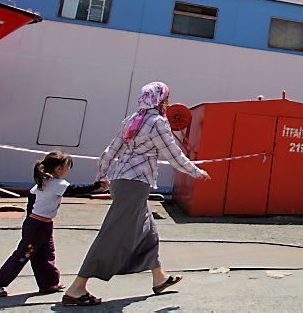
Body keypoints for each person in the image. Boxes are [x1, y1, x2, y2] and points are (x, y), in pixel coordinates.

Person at [62, 82, 210, 306]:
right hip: (136, 184)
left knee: (149, 231)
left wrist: (102, 174)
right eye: (166, 98)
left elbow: (110, 151)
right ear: (160, 99)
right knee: (112, 234)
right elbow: (173, 154)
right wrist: (196, 172)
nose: (168, 102)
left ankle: (159, 278)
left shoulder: (132, 120)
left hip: (122, 180)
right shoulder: (157, 122)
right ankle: (77, 288)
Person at [0, 151, 105, 297]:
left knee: (45, 254)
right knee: (23, 254)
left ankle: (49, 283)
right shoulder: (58, 184)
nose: (68, 171)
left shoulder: (42, 183)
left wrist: (29, 221)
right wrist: (97, 185)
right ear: (58, 169)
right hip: (38, 225)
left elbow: (31, 200)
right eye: (67, 167)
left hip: (41, 223)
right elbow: (75, 190)